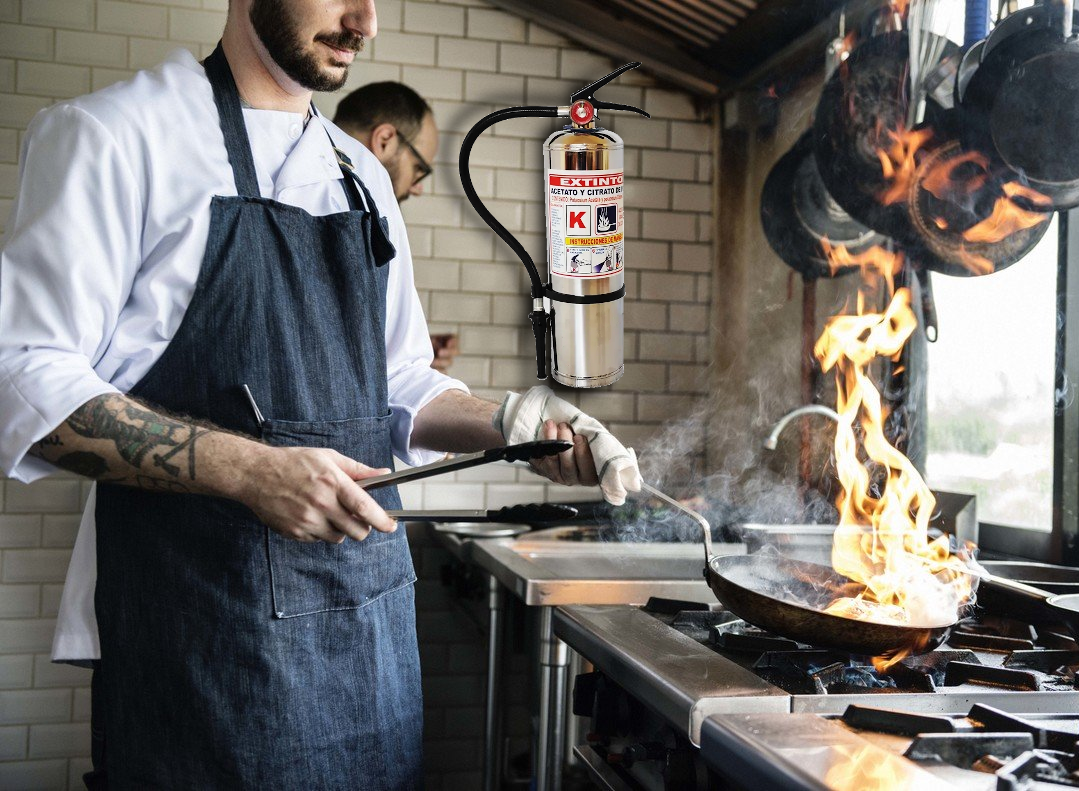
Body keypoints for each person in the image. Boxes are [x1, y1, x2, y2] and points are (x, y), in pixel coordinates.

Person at [0, 1, 638, 787]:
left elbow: (399, 382)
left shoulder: (361, 176)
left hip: (369, 649)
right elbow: (23, 375)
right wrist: (248, 470)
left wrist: (514, 421)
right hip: (202, 651)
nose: (364, 21)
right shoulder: (116, 137)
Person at [333, 81, 458, 372]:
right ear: (385, 140)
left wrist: (405, 353)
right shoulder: (341, 214)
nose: (417, 189)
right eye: (419, 169)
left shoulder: (368, 216)